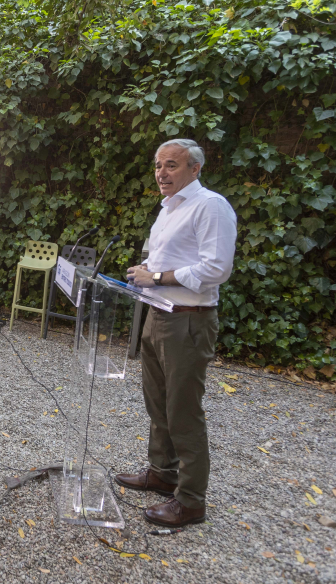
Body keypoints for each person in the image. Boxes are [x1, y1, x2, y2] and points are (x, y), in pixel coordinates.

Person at [117, 139, 238, 528]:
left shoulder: (211, 206)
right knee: (157, 404)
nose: (161, 173)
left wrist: (156, 276)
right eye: (158, 165)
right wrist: (146, 273)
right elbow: (164, 261)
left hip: (188, 320)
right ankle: (162, 473)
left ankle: (190, 500)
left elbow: (215, 269)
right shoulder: (169, 210)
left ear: (195, 169)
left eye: (171, 165)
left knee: (183, 412)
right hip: (157, 314)